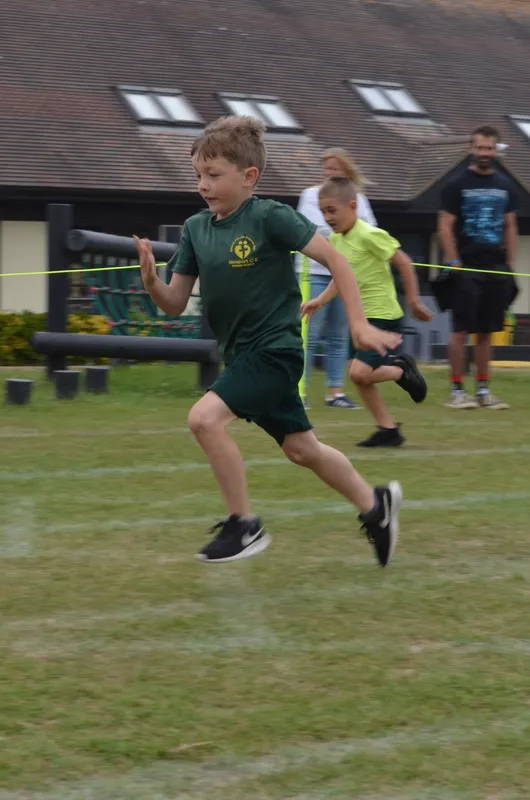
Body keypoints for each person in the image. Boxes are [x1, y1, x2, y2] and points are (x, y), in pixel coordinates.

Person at [134, 115, 403, 567]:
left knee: (204, 419)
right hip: (241, 358)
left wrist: (357, 323)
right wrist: (150, 281)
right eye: (199, 175)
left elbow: (338, 261)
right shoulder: (196, 229)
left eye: (214, 175)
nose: (203, 184)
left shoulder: (271, 217)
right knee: (303, 450)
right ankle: (376, 508)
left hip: (275, 351)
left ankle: (243, 525)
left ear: (249, 177)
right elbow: (175, 302)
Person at [301, 177, 432, 448]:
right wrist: (320, 301)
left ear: (352, 206)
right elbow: (341, 277)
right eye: (324, 211)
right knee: (360, 376)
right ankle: (387, 429)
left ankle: (400, 370)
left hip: (382, 315)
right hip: (359, 318)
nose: (328, 217)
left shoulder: (370, 233)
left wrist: (414, 301)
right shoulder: (336, 239)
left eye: (332, 210)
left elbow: (405, 263)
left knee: (359, 373)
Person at [437, 125, 518, 410]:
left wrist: (508, 263)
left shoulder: (505, 185)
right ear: (471, 149)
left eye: (489, 149)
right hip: (466, 267)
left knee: (486, 331)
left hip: (495, 267)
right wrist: (454, 261)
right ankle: (457, 391)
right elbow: (444, 226)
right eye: (480, 148)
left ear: (496, 150)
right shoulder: (456, 185)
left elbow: (510, 225)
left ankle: (483, 390)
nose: (484, 153)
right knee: (461, 331)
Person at [297, 148, 377, 408]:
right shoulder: (310, 196)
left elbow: (371, 231)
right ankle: (300, 391)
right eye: (326, 168)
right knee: (308, 334)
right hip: (314, 274)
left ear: (346, 171)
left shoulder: (359, 199)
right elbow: (309, 229)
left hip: (347, 275)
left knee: (339, 335)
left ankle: (335, 392)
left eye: (335, 168)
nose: (329, 173)